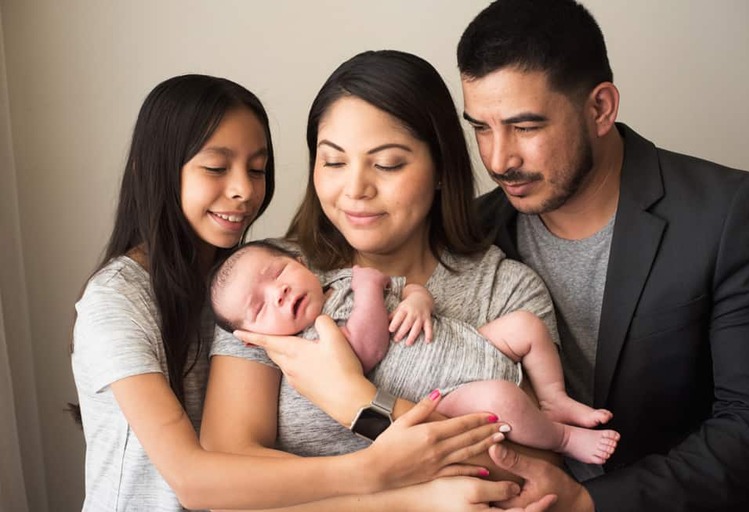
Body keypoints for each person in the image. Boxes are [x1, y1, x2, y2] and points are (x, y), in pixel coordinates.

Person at [70, 73, 521, 512]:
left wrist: (357, 398)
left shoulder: (256, 278)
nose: (244, 190)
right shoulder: (117, 299)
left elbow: (530, 471)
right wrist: (380, 474)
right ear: (152, 172)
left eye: (258, 169)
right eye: (215, 167)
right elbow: (195, 480)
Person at [203, 49, 564, 510]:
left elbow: (537, 475)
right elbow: (228, 483)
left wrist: (360, 402)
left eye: (388, 164)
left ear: (439, 169)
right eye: (333, 162)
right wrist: (408, 496)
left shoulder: (506, 290)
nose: (355, 189)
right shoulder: (268, 281)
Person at [457, 0, 749, 510]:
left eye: (526, 127)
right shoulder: (471, 230)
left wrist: (588, 502)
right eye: (481, 128)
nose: (499, 159)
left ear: (600, 108)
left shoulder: (733, 213)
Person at [209, 240, 620, 464]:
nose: (278, 293)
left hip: (473, 340)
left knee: (525, 326)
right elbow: (365, 351)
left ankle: (554, 398)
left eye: (278, 273)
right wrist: (370, 288)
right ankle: (564, 438)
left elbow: (407, 287)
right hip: (452, 393)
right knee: (501, 400)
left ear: (300, 261)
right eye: (260, 307)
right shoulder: (307, 346)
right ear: (248, 336)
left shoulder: (339, 278)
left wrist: (419, 300)